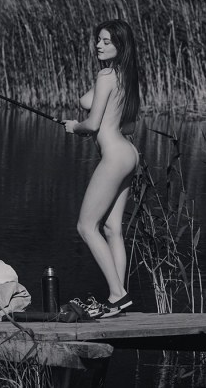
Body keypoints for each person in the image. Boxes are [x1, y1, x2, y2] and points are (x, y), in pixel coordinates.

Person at [62, 19, 140, 318]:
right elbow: (128, 125)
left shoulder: (106, 74)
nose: (99, 45)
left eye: (107, 41)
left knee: (86, 226)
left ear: (120, 45)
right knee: (111, 228)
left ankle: (117, 295)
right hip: (129, 153)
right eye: (98, 39)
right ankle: (119, 298)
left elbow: (92, 123)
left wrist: (75, 128)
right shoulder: (125, 76)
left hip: (114, 156)